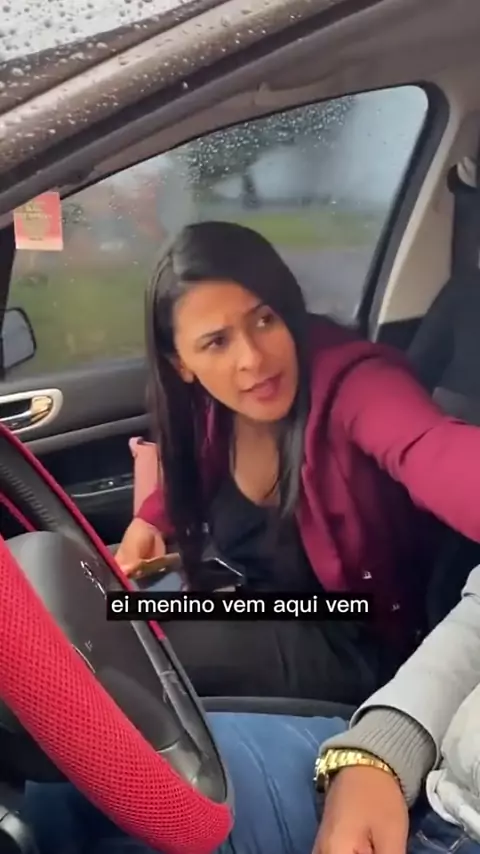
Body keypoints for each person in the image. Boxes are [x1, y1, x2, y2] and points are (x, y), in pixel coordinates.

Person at [115, 220, 480, 703]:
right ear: (181, 362)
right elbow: (198, 460)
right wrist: (150, 519)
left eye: (264, 320)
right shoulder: (215, 406)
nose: (253, 358)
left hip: (359, 634)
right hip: (269, 603)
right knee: (118, 618)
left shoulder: (353, 384)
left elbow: (429, 446)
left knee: (134, 652)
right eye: (217, 342)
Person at [22, 562, 480, 854]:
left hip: (343, 617)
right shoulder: (198, 440)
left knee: (140, 638)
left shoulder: (346, 433)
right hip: (434, 761)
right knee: (72, 782)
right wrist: (383, 749)